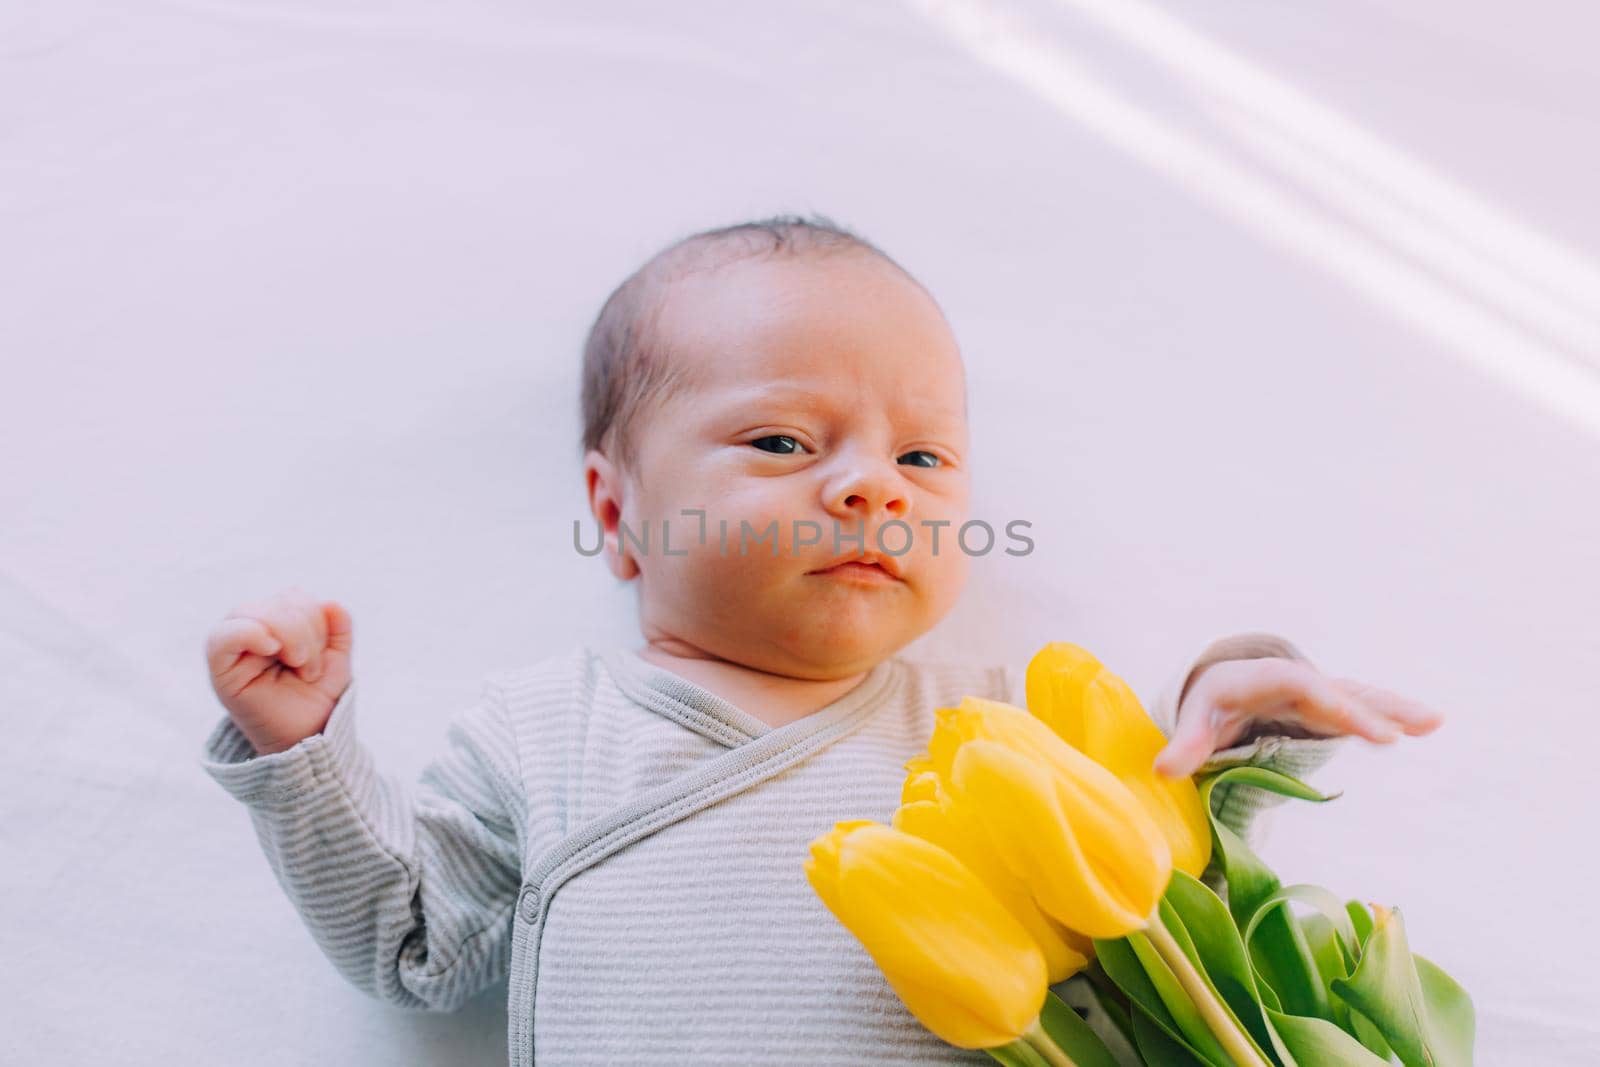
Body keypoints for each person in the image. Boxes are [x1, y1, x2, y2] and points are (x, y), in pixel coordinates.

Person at [198, 214, 1442, 1065]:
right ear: (615, 510)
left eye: (921, 456)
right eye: (785, 443)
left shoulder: (998, 721)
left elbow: (1166, 868)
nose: (873, 489)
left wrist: (1239, 705)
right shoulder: (542, 732)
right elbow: (408, 951)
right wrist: (300, 753)